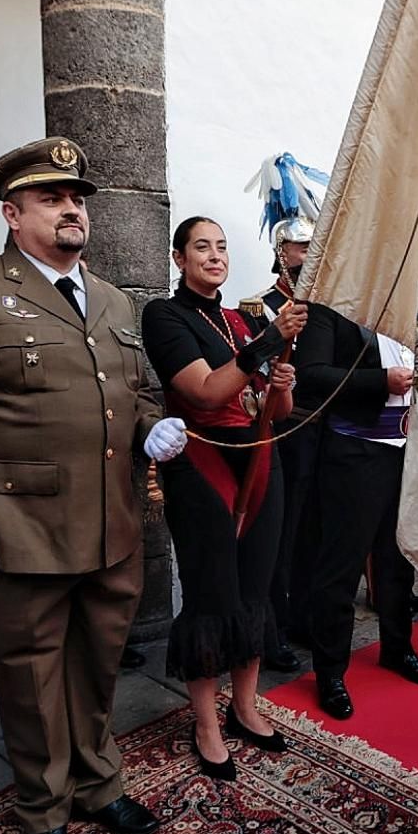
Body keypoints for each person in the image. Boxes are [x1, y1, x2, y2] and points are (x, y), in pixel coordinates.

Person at [0, 137, 188, 834]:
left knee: (96, 668)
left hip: (110, 525)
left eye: (79, 199)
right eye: (52, 198)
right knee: (31, 681)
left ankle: (99, 784)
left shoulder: (114, 299)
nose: (73, 209)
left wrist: (145, 426)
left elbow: (128, 391)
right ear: (12, 212)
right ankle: (41, 810)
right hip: (18, 534)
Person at [142, 217, 306, 779]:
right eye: (201, 247)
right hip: (202, 460)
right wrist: (268, 343)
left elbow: (272, 412)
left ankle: (244, 705)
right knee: (213, 592)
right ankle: (205, 722)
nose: (214, 255)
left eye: (221, 247)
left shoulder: (242, 318)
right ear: (179, 258)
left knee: (258, 588)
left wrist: (280, 389)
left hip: (260, 458)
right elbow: (204, 391)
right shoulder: (166, 316)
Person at [296, 299, 418, 720]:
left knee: (398, 561)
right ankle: (330, 672)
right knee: (341, 566)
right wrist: (381, 381)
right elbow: (312, 376)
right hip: (354, 451)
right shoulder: (331, 307)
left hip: (407, 449)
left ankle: (398, 648)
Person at [248, 229, 320, 671]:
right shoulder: (261, 307)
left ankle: (300, 616)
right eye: (301, 247)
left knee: (312, 529)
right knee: (280, 533)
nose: (308, 255)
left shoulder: (323, 306)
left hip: (322, 430)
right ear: (282, 251)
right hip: (284, 430)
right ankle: (272, 626)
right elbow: (255, 368)